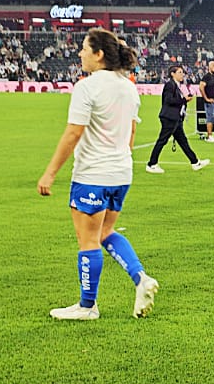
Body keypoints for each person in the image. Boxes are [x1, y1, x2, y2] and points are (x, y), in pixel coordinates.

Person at [38, 29, 159, 320]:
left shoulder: (87, 87)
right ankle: (141, 279)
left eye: (84, 48)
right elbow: (131, 132)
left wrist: (50, 173)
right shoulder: (128, 86)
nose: (80, 53)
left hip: (93, 173)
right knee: (106, 232)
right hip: (121, 173)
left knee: (89, 240)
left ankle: (87, 306)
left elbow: (73, 133)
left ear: (99, 54)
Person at [146, 65, 210, 174]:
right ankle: (151, 164)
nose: (182, 74)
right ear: (173, 74)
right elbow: (169, 100)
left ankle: (195, 162)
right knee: (162, 140)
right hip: (169, 117)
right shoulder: (170, 85)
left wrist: (184, 100)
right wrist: (183, 99)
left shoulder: (176, 86)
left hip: (175, 118)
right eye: (180, 72)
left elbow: (176, 101)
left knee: (183, 141)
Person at [199, 60, 214, 142]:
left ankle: (211, 134)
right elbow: (201, 87)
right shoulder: (206, 77)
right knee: (210, 118)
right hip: (210, 102)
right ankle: (209, 136)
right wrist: (206, 98)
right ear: (210, 67)